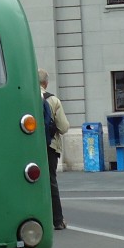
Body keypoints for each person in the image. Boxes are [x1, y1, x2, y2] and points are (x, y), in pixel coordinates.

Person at [40, 68, 70, 230]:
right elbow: (64, 127)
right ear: (45, 83)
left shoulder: (23, 96)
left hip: (28, 146)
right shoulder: (52, 100)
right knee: (50, 180)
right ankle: (57, 220)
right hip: (49, 146)